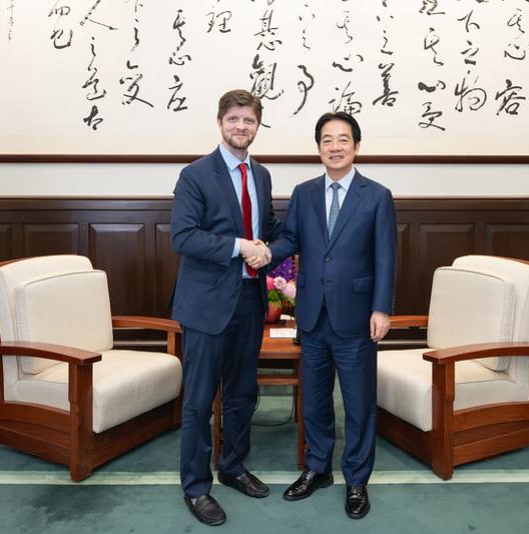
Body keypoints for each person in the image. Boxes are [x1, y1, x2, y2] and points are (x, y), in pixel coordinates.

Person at [258, 112, 396, 519]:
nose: (335, 147)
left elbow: (386, 257)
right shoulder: (304, 193)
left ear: (356, 145)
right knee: (315, 401)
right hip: (313, 315)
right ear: (318, 147)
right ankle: (317, 468)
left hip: (357, 316)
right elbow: (291, 239)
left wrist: (382, 308)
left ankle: (357, 480)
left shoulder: (377, 195)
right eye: (327, 140)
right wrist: (265, 253)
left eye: (343, 139)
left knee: (358, 404)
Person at [170, 89, 278, 526]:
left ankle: (232, 466)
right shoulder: (195, 175)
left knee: (242, 394)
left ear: (257, 126)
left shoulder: (262, 175)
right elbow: (183, 236)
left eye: (249, 120)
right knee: (198, 402)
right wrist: (240, 247)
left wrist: (273, 245)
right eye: (234, 119)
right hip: (206, 306)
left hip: (250, 302)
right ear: (220, 123)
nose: (241, 127)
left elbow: (268, 228)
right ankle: (196, 487)